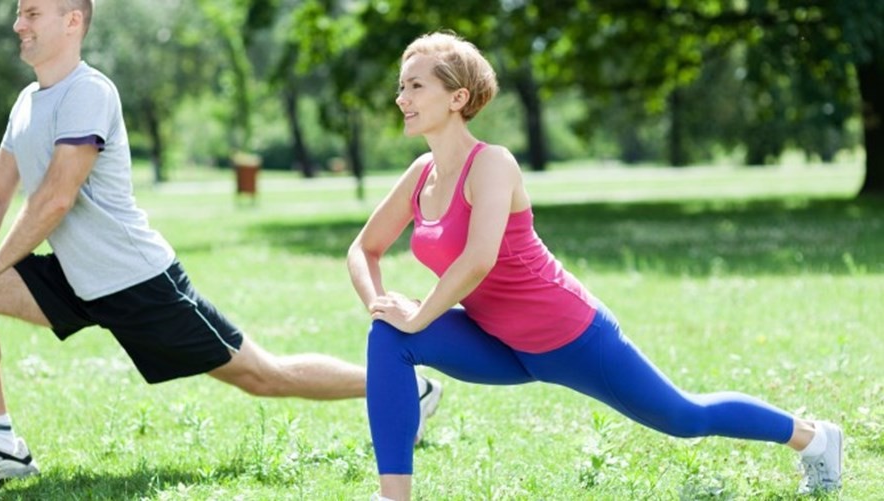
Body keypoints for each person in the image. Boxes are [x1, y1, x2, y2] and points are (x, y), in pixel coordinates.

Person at [0, 0, 442, 488]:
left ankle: (408, 388)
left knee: (262, 375)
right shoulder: (26, 103)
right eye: (19, 14)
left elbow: (57, 197)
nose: (19, 24)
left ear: (72, 22)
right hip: (74, 275)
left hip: (136, 279)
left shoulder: (89, 92)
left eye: (31, 13)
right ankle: (1, 449)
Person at [347, 32, 843, 501]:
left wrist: (419, 315)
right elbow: (363, 249)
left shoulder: (492, 164)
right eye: (401, 86)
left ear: (457, 98)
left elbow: (479, 259)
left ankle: (814, 438)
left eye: (415, 85)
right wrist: (382, 308)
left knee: (682, 416)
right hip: (497, 342)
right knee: (387, 337)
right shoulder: (421, 175)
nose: (402, 98)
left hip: (569, 335)